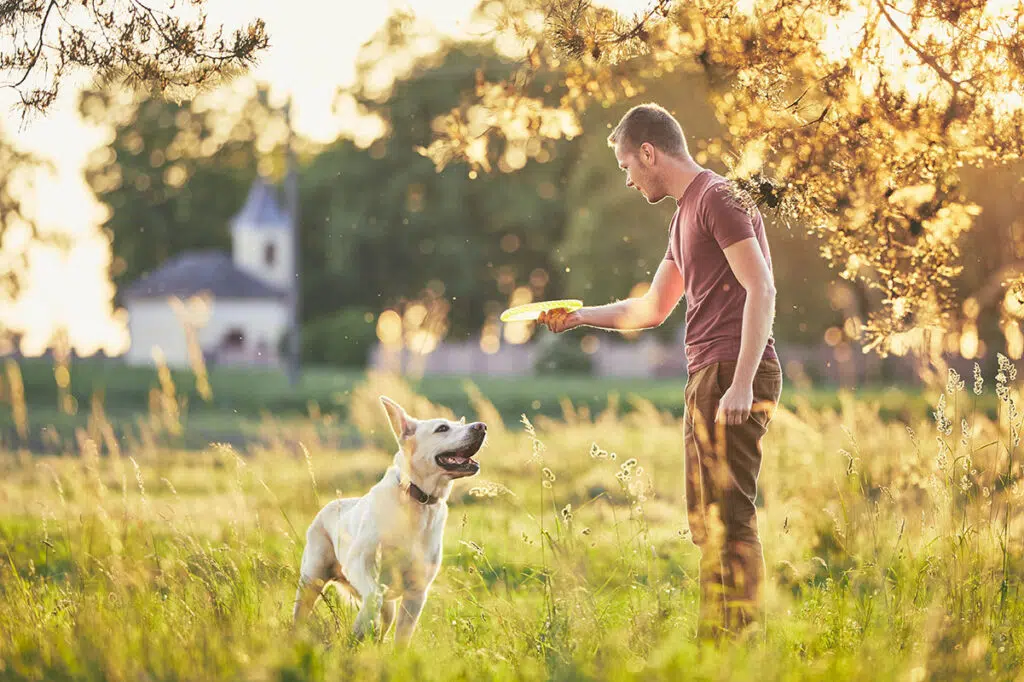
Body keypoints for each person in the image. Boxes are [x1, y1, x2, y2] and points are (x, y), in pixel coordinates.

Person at [538, 102, 782, 640]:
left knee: (731, 515)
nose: (627, 178)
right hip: (706, 375)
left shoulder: (717, 198)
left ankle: (737, 644)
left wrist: (742, 382)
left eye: (627, 165)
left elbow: (761, 287)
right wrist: (579, 316)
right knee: (706, 520)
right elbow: (650, 309)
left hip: (732, 370)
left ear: (649, 152)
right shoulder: (683, 217)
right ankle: (715, 639)